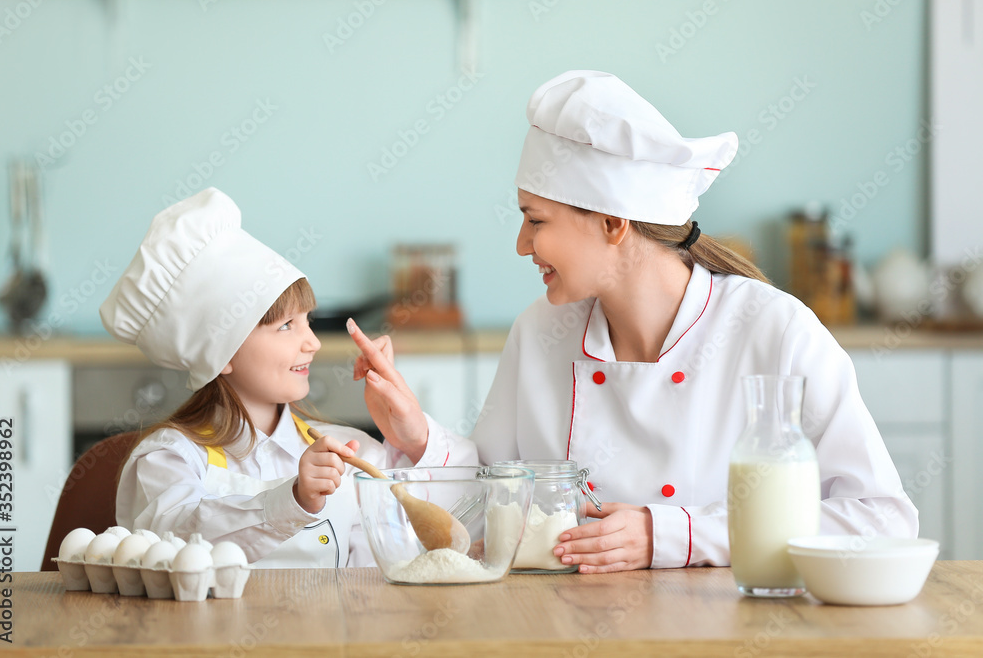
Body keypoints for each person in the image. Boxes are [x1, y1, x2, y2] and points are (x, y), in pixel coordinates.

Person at [349, 70, 919, 573]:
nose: (522, 245)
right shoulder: (541, 334)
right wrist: (417, 437)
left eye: (535, 220)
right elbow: (485, 515)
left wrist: (672, 533)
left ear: (613, 223)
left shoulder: (774, 331)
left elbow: (881, 520)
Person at [106, 188, 423, 567]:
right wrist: (292, 500)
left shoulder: (356, 454)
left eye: (309, 321)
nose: (313, 343)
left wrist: (407, 439)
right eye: (287, 325)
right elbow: (178, 541)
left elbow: (387, 580)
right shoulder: (168, 460)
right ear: (222, 354)